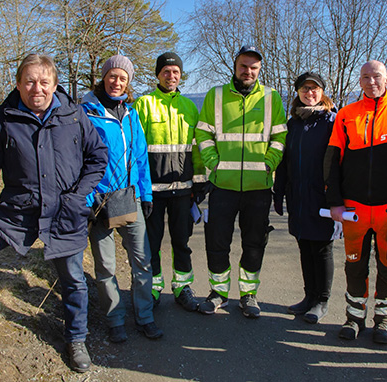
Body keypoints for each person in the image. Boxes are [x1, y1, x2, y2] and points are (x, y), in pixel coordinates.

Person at [0, 54, 108, 373]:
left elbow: (98, 156)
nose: (37, 88)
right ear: (19, 84)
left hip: (64, 214)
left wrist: (78, 196)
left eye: (44, 81)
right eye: (30, 81)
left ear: (54, 84)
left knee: (74, 280)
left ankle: (76, 338)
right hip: (15, 215)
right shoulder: (2, 117)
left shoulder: (74, 115)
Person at [324, 60, 387, 344]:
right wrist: (335, 202)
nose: (371, 82)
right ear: (360, 81)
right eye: (365, 77)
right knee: (354, 265)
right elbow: (331, 162)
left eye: (376, 76)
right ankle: (354, 318)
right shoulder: (346, 115)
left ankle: (384, 321)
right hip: (353, 210)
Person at [195, 45, 287, 318]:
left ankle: (249, 295)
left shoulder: (272, 97)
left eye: (253, 67)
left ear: (260, 70)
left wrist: (268, 163)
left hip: (258, 188)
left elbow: (280, 138)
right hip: (223, 186)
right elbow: (203, 133)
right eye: (244, 66)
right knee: (217, 241)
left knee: (255, 243)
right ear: (235, 67)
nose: (248, 71)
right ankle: (218, 293)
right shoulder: (216, 95)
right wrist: (214, 163)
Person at [81, 55, 163, 343]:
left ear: (129, 83)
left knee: (142, 261)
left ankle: (145, 316)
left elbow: (140, 158)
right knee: (105, 266)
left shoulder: (131, 114)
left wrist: (146, 193)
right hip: (99, 200)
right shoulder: (85, 112)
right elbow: (77, 160)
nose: (117, 82)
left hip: (130, 197)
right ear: (103, 77)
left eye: (123, 78)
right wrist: (88, 199)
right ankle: (115, 318)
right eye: (112, 76)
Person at [133, 52, 205, 312]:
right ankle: (152, 288)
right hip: (151, 192)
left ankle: (182, 287)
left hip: (183, 191)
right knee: (151, 242)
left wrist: (199, 183)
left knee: (181, 243)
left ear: (180, 75)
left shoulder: (188, 107)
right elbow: (136, 150)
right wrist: (138, 188)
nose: (171, 76)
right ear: (157, 74)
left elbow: (196, 148)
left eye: (175, 72)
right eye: (166, 71)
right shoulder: (144, 104)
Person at [273, 72, 337, 324]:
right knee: (304, 245)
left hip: (322, 196)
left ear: (322, 93)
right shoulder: (293, 124)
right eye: (304, 88)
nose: (309, 93)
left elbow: (340, 164)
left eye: (314, 88)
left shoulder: (333, 122)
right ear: (297, 92)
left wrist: (335, 196)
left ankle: (322, 300)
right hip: (297, 195)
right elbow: (285, 162)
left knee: (321, 248)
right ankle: (308, 296)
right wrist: (279, 193)